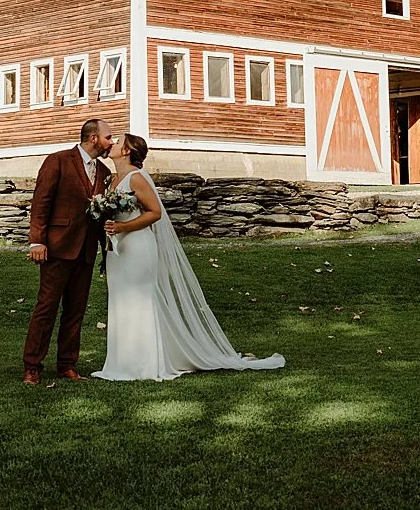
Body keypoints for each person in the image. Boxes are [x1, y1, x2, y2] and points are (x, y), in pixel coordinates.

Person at [93, 133, 285, 381]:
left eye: (118, 142)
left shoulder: (136, 178)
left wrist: (123, 227)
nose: (113, 144)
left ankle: (144, 364)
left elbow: (155, 213)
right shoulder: (112, 180)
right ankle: (122, 361)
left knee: (141, 300)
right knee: (121, 300)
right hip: (117, 249)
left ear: (127, 151)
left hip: (137, 246)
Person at [21, 118, 113, 384]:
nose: (111, 142)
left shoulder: (104, 172)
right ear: (94, 138)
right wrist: (37, 241)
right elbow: (41, 202)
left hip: (86, 251)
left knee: (76, 310)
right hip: (57, 248)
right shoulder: (58, 161)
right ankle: (32, 366)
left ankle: (67, 364)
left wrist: (107, 250)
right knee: (46, 308)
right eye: (108, 137)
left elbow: (102, 214)